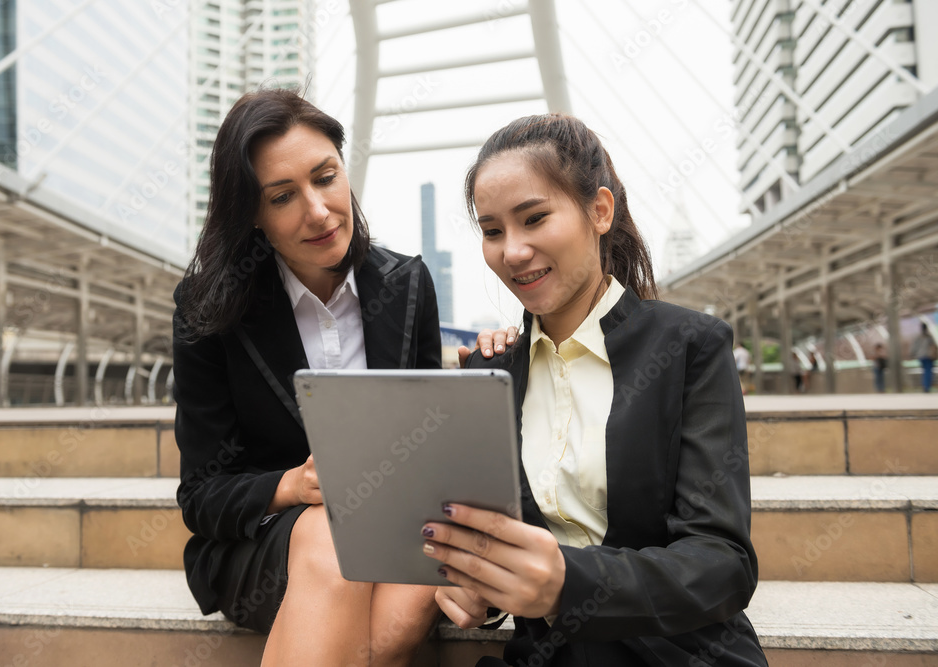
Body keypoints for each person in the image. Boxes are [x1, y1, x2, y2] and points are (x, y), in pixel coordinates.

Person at [171, 88, 512, 666]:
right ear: (253, 213)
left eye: (325, 177)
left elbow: (432, 449)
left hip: (401, 530)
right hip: (265, 546)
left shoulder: (407, 286)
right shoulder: (209, 310)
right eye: (283, 197)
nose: (320, 211)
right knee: (332, 537)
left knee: (406, 593)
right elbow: (201, 496)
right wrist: (294, 486)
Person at [421, 113, 767, 665]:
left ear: (599, 211)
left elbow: (722, 564)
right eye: (492, 231)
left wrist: (567, 584)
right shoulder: (491, 375)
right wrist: (479, 589)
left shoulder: (689, 348)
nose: (512, 251)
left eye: (534, 218)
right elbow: (493, 538)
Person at [910, 323, 937, 393]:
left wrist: (913, 354)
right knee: (928, 371)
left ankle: (925, 386)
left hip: (921, 356)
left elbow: (914, 347)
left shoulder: (918, 337)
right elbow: (934, 346)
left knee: (925, 371)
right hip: (929, 356)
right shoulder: (929, 337)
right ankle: (927, 386)